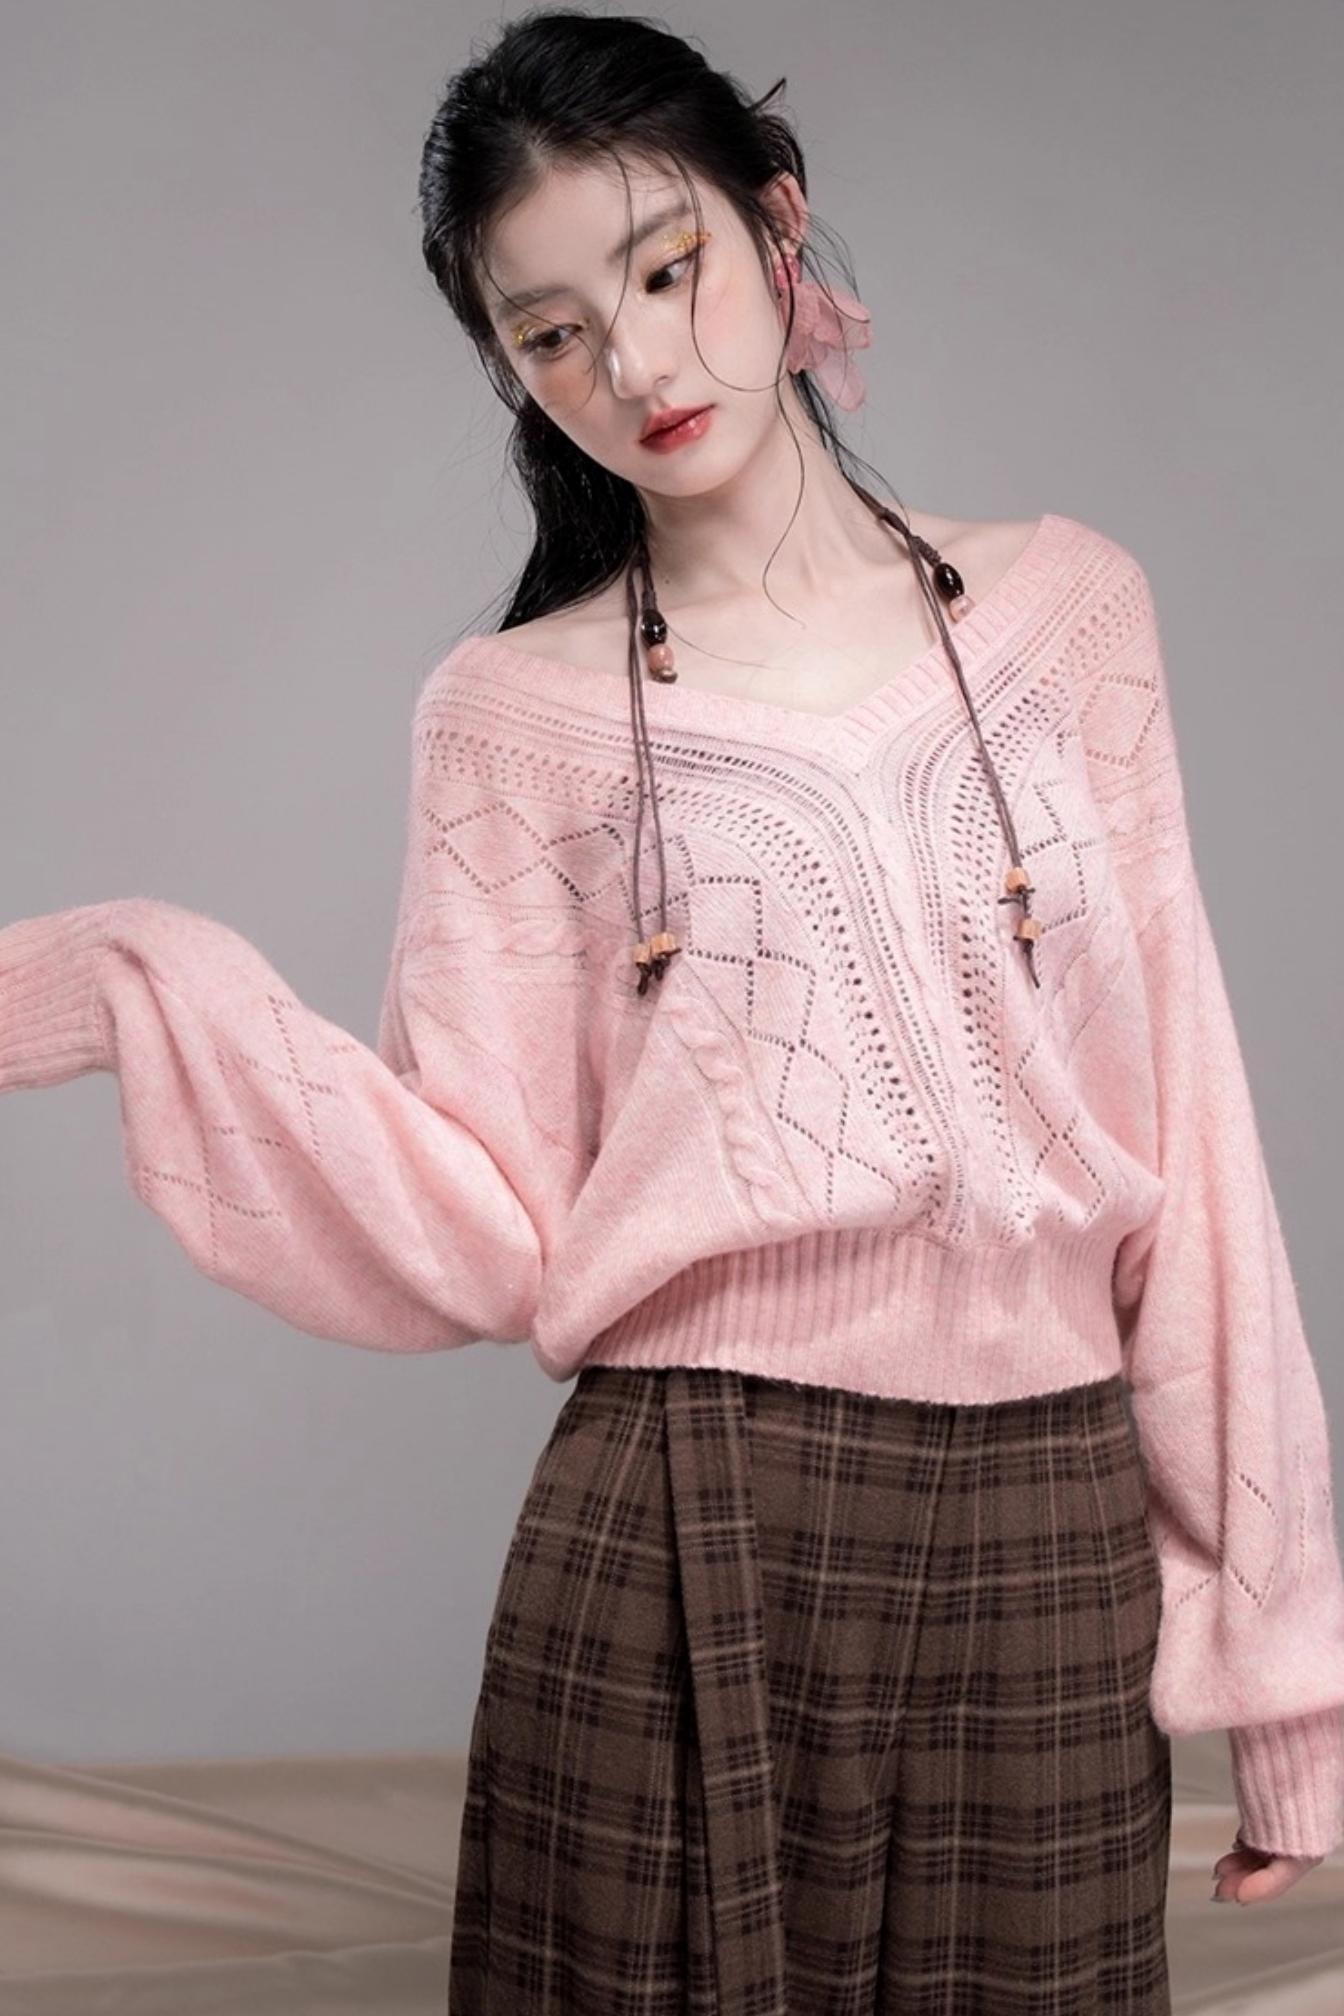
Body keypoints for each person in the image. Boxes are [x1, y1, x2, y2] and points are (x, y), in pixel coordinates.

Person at [3, 8, 1342, 2012]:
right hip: (687, 1514)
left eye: (665, 268)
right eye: (549, 333)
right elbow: (485, 1207)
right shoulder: (509, 720)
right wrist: (142, 977)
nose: (631, 368)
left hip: (1051, 1530)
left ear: (778, 226)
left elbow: (1200, 1153)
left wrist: (1291, 1682)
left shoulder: (1071, 615)